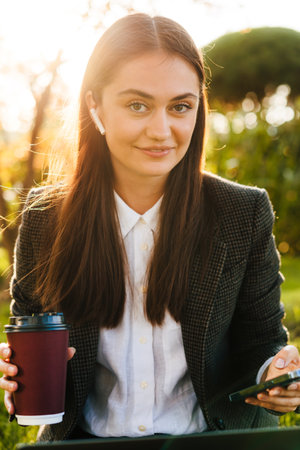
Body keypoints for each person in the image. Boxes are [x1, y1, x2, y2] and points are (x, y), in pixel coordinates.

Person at [0, 13, 300, 442]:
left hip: (216, 441)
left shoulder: (242, 213)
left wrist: (276, 372)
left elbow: (262, 342)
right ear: (94, 106)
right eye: (137, 104)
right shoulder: (45, 219)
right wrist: (16, 379)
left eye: (181, 106)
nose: (161, 131)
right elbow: (30, 347)